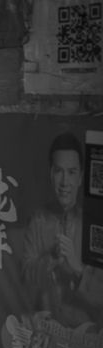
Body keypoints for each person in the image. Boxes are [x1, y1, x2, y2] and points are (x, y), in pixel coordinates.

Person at [21, 131, 103, 328]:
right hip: (46, 335)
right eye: (59, 171)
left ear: (82, 176)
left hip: (84, 341)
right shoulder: (38, 220)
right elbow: (24, 274)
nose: (65, 182)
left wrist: (78, 268)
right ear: (51, 174)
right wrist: (50, 260)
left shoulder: (95, 225)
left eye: (72, 172)